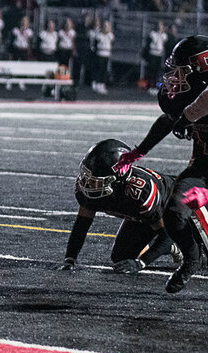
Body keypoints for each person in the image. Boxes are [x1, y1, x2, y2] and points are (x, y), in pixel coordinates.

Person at [113, 36, 208, 292]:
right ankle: (191, 260)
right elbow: (170, 120)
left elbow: (196, 108)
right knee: (175, 214)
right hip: (203, 167)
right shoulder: (189, 94)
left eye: (181, 69)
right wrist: (138, 153)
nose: (173, 75)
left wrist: (188, 117)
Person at [58, 139, 180, 273]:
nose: (88, 184)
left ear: (117, 180)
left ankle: (179, 245)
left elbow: (168, 235)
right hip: (144, 216)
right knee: (121, 256)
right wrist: (70, 259)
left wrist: (141, 263)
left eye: (96, 181)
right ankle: (164, 246)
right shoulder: (90, 191)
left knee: (199, 256)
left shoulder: (139, 192)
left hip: (182, 204)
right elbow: (81, 225)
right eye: (87, 176)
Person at [143, 21, 167, 93]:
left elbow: (164, 43)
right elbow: (148, 44)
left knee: (158, 71)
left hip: (159, 54)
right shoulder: (152, 34)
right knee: (152, 71)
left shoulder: (164, 35)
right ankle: (150, 86)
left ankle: (155, 86)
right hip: (153, 53)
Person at [93, 20, 114, 94]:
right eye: (105, 26)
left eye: (107, 26)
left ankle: (102, 84)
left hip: (106, 53)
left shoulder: (110, 35)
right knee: (99, 69)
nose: (106, 28)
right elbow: (95, 44)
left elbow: (112, 43)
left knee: (104, 69)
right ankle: (97, 83)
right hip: (100, 53)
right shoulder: (99, 35)